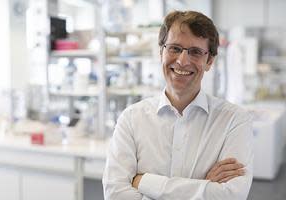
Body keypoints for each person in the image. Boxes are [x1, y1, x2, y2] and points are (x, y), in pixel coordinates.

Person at [103, 10, 253, 200]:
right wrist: (205, 187)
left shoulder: (234, 120)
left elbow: (231, 196)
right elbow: (115, 194)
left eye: (195, 52)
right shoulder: (131, 119)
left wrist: (144, 182)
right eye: (174, 48)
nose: (182, 61)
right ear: (161, 52)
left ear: (209, 61)